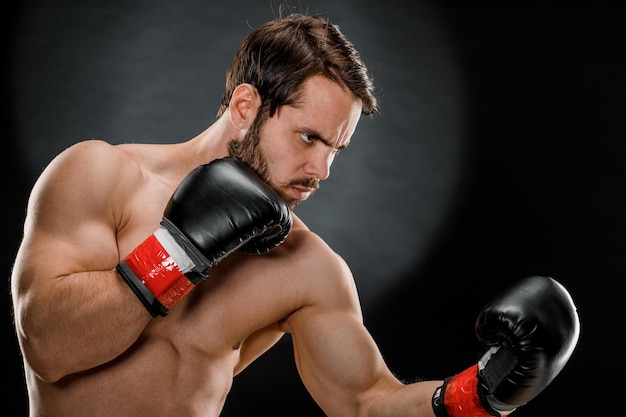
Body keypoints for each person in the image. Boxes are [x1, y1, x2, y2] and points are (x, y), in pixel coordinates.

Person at [11, 12, 579, 417]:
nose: (321, 170)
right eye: (308, 138)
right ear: (245, 105)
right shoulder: (99, 175)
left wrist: (481, 395)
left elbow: (365, 403)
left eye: (335, 149)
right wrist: (177, 250)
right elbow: (49, 349)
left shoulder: (307, 267)